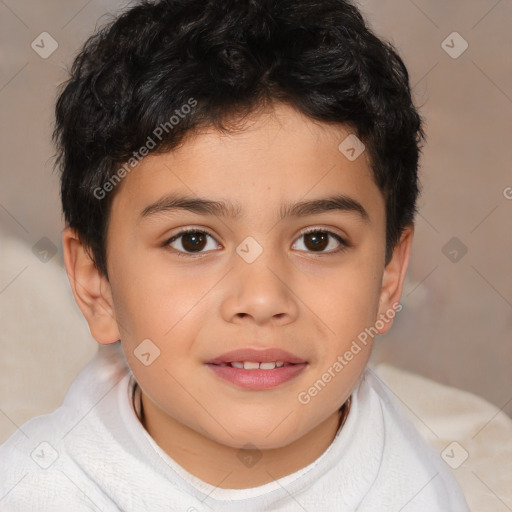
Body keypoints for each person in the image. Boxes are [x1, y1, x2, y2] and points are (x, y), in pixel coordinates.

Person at [0, 0, 470, 510]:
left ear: (388, 279)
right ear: (96, 283)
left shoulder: (418, 494)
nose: (262, 298)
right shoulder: (35, 490)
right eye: (193, 241)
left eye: (317, 240)